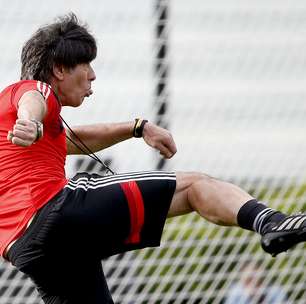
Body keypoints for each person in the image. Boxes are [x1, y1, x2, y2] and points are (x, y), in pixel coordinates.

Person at [0, 13, 305, 304]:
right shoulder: (31, 91)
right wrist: (31, 121)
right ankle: (271, 222)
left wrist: (138, 127)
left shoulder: (21, 131)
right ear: (59, 69)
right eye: (86, 63)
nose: (93, 74)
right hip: (53, 211)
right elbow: (33, 101)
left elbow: (73, 140)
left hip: (26, 247)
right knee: (195, 186)